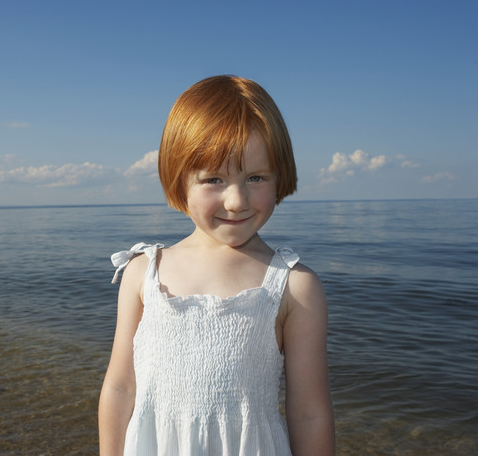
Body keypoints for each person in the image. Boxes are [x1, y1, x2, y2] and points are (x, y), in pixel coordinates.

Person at [98, 75, 334, 455]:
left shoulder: (294, 287)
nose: (237, 200)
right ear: (179, 181)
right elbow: (120, 387)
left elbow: (309, 414)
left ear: (280, 177)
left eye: (256, 177)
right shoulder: (144, 271)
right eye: (213, 179)